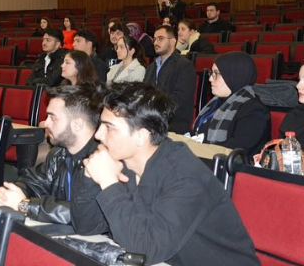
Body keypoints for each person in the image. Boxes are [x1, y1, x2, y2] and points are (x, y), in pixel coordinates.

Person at [81, 82, 259, 266]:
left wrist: (108, 182)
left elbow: (144, 250)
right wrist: (90, 176)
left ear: (141, 136)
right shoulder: (124, 162)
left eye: (109, 127)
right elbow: (87, 226)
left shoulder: (186, 177)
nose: (98, 135)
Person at [0, 85, 107, 235]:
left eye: (52, 117)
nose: (45, 123)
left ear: (77, 124)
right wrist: (13, 193)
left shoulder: (103, 161)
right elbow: (33, 181)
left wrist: (26, 205)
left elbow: (85, 214)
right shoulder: (60, 152)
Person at [191, 52, 270, 155]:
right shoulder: (215, 102)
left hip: (225, 163)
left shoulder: (254, 110)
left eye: (216, 74)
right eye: (211, 73)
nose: (210, 79)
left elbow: (236, 150)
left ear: (233, 75)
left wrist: (196, 149)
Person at [142, 25, 197, 134]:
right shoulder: (151, 67)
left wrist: (153, 110)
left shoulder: (184, 65)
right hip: (151, 120)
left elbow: (180, 100)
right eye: (155, 39)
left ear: (172, 41)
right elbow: (144, 94)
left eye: (160, 38)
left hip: (173, 123)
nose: (156, 42)